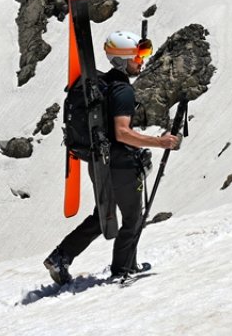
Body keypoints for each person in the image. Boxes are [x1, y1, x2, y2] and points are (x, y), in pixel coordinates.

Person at [44, 31, 180, 285]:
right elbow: (122, 133)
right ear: (122, 59)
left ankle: (60, 256)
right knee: (132, 218)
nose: (142, 60)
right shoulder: (122, 91)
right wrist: (158, 142)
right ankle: (123, 269)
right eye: (138, 56)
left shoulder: (102, 85)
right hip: (120, 166)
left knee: (102, 216)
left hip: (98, 161)